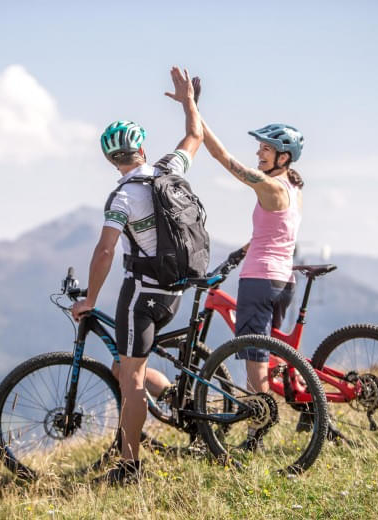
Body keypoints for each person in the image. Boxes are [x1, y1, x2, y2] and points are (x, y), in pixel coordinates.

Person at [70, 66, 203, 484]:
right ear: (142, 150)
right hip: (173, 291)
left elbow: (106, 249)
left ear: (110, 158)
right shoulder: (169, 172)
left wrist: (89, 299)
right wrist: (189, 103)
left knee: (131, 379)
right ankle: (183, 407)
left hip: (141, 294)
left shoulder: (122, 196)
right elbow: (194, 137)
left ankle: (130, 467)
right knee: (123, 364)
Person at [200, 116, 304, 446]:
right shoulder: (293, 187)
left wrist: (193, 112)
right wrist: (241, 251)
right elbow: (276, 231)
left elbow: (222, 157)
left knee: (254, 355)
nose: (259, 154)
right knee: (269, 351)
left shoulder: (269, 186)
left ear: (283, 157)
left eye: (266, 149)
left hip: (259, 280)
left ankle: (257, 430)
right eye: (259, 148)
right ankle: (304, 403)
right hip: (282, 281)